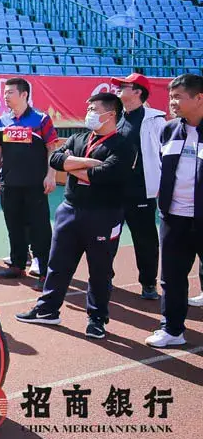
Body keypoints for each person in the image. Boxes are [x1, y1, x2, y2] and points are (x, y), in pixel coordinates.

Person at [16, 92, 134, 339]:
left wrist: (73, 166)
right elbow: (56, 159)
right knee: (58, 264)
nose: (89, 113)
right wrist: (88, 163)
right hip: (69, 210)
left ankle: (97, 318)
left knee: (100, 270)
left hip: (103, 214)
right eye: (88, 108)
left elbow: (103, 175)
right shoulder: (79, 138)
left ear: (110, 114)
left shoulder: (124, 145)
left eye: (94, 109)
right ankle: (47, 310)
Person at [145, 73, 203, 348]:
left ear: (199, 98)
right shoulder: (168, 130)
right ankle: (172, 330)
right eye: (171, 97)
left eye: (178, 97)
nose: (172, 102)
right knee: (171, 278)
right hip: (173, 218)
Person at [0, 77, 59, 289]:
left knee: (40, 228)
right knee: (14, 226)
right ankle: (18, 264)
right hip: (9, 184)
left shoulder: (41, 119)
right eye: (4, 92)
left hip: (35, 184)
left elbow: (52, 148)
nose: (5, 96)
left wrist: (51, 175)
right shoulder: (1, 121)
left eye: (10, 92)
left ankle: (45, 272)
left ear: (24, 94)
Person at [111, 73, 168, 300]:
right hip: (113, 190)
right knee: (106, 239)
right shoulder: (113, 116)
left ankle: (148, 283)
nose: (118, 88)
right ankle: (104, 278)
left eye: (124, 86)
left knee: (145, 240)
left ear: (137, 92)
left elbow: (164, 154)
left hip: (141, 190)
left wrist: (162, 182)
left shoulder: (156, 120)